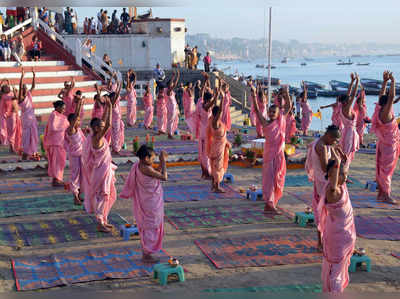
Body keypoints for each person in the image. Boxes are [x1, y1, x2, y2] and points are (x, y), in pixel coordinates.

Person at [317, 148, 356, 293]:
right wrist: (337, 164)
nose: (345, 177)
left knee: (337, 270)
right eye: (343, 175)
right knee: (336, 274)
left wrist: (341, 159)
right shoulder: (333, 191)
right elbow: (334, 174)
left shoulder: (341, 186)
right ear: (334, 175)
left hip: (342, 236)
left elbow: (340, 171)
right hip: (338, 238)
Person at [120, 145, 168, 263]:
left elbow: (155, 173)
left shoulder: (139, 166)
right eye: (152, 158)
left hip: (148, 200)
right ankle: (146, 254)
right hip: (150, 203)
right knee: (151, 226)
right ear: (146, 158)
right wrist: (163, 162)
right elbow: (164, 177)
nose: (153, 160)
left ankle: (146, 252)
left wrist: (160, 163)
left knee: (149, 226)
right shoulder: (146, 168)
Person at [252, 84, 291, 213]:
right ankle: (269, 204)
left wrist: (286, 93)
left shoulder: (281, 121)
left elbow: (288, 107)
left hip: (279, 155)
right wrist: (253, 94)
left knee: (278, 179)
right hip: (269, 155)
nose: (271, 113)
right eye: (270, 111)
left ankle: (271, 203)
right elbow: (257, 111)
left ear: (278, 113)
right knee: (269, 180)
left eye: (274, 112)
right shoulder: (266, 123)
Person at [82, 95, 117, 232]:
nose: (103, 128)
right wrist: (109, 106)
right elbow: (107, 124)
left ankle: (103, 219)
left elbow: (104, 122)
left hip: (103, 169)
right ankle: (100, 222)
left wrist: (108, 108)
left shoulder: (93, 135)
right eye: (100, 127)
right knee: (103, 194)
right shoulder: (96, 138)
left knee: (108, 194)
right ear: (96, 128)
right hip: (101, 170)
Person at [305, 125, 343, 251]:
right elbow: (325, 168)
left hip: (319, 182)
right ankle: (321, 243)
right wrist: (338, 164)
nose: (335, 142)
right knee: (323, 214)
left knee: (321, 213)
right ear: (328, 136)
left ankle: (323, 242)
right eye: (334, 140)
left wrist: (334, 150)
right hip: (323, 184)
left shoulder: (320, 142)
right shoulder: (321, 147)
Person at [371, 71, 400, 205]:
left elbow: (382, 96)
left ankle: (381, 194)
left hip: (383, 143)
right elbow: (390, 96)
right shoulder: (386, 112)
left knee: (382, 169)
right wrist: (393, 80)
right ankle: (386, 195)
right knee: (386, 171)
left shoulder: (378, 110)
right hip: (389, 146)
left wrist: (384, 82)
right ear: (388, 103)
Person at [206, 82, 231, 193]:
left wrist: (217, 93)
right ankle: (217, 186)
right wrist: (221, 96)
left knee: (215, 166)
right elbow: (220, 109)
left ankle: (213, 185)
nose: (221, 115)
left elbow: (217, 109)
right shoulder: (215, 122)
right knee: (218, 167)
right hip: (217, 148)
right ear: (217, 114)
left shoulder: (213, 120)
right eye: (219, 114)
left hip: (218, 146)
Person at [196, 74, 217, 179]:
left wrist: (206, 81)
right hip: (206, 132)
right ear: (209, 100)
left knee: (203, 152)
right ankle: (207, 172)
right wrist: (217, 94)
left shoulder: (200, 103)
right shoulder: (206, 106)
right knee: (206, 153)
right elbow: (212, 101)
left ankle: (204, 173)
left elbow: (201, 93)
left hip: (202, 130)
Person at [65, 97, 85, 205]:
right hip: (74, 156)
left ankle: (79, 195)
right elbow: (76, 115)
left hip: (81, 155)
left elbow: (77, 116)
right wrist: (79, 105)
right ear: (72, 121)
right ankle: (75, 197)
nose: (79, 121)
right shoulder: (70, 129)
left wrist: (80, 104)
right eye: (77, 120)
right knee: (75, 175)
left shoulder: (78, 129)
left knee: (82, 175)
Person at [43, 100, 69, 187]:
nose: (64, 110)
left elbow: (68, 126)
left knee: (60, 162)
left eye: (65, 109)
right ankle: (56, 180)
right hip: (54, 143)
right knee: (56, 162)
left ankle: (57, 179)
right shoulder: (53, 115)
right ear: (57, 107)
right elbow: (54, 127)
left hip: (60, 142)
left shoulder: (62, 117)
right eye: (62, 108)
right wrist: (64, 125)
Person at [338, 73, 360, 173]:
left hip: (346, 131)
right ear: (346, 101)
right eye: (348, 99)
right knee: (347, 154)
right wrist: (357, 81)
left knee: (345, 153)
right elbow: (354, 94)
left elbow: (349, 94)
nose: (349, 99)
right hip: (349, 133)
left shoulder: (342, 106)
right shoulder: (347, 108)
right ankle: (343, 173)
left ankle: (343, 173)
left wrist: (352, 82)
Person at [18, 68, 39, 160]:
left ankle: (30, 154)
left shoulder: (28, 94)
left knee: (33, 137)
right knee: (26, 139)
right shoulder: (21, 98)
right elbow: (19, 87)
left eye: (26, 88)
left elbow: (33, 86)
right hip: (26, 121)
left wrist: (34, 75)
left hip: (32, 119)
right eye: (24, 88)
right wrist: (22, 76)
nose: (26, 89)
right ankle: (24, 156)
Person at [0, 80, 21, 153]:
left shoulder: (10, 94)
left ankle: (12, 145)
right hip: (7, 115)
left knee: (12, 131)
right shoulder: (3, 95)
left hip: (12, 115)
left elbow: (16, 98)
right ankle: (11, 145)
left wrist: (6, 82)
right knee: (10, 131)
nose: (7, 88)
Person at [110, 81, 125, 154]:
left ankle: (114, 148)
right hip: (115, 122)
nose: (115, 98)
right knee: (116, 135)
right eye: (113, 97)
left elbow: (116, 95)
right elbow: (117, 95)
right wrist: (119, 87)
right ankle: (116, 149)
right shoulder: (112, 104)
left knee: (115, 135)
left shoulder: (115, 104)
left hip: (116, 122)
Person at [166, 69, 180, 139]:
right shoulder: (168, 91)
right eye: (171, 84)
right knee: (170, 121)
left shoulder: (171, 91)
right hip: (171, 108)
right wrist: (174, 76)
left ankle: (171, 132)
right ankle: (169, 134)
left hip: (174, 107)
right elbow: (173, 85)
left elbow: (174, 84)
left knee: (174, 120)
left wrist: (177, 76)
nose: (172, 85)